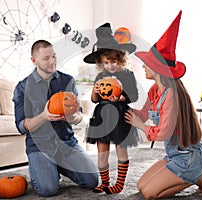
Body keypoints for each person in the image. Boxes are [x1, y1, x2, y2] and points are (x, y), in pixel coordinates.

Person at [124, 11, 202, 199]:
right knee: (141, 185)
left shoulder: (172, 94)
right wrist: (123, 106)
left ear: (157, 68)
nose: (143, 67)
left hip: (189, 157)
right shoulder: (155, 90)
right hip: (174, 155)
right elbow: (144, 113)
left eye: (146, 64)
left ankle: (198, 177)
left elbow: (162, 132)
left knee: (149, 194)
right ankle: (194, 176)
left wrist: (139, 125)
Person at [12, 39, 98, 197]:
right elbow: (21, 127)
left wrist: (72, 117)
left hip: (66, 143)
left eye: (54, 56)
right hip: (40, 146)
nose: (52, 61)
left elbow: (79, 116)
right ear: (34, 60)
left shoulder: (68, 81)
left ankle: (56, 166)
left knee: (92, 181)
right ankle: (46, 167)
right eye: (46, 58)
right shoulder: (23, 87)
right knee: (47, 190)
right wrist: (44, 116)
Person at [83, 22, 139, 195]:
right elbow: (94, 100)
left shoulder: (127, 75)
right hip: (102, 116)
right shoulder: (101, 76)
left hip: (120, 116)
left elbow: (134, 96)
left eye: (113, 61)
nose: (110, 66)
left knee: (121, 149)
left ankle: (120, 183)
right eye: (106, 63)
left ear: (121, 59)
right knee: (102, 152)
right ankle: (105, 182)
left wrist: (122, 97)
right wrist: (94, 91)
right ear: (101, 63)